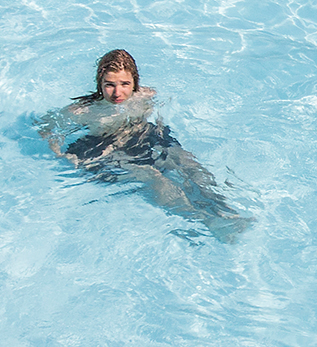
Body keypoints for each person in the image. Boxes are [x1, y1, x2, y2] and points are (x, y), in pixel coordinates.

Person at [47, 49, 251, 241]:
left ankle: (225, 211)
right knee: (153, 177)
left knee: (187, 162)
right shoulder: (83, 111)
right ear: (99, 83)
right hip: (106, 150)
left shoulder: (145, 96)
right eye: (109, 84)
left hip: (144, 137)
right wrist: (59, 153)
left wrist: (161, 126)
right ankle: (207, 221)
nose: (117, 92)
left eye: (125, 84)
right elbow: (46, 127)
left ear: (135, 82)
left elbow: (162, 105)